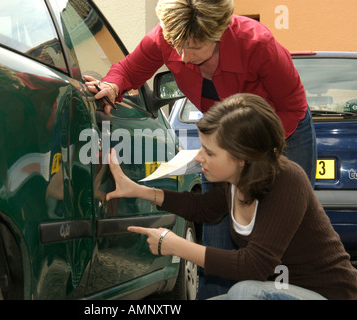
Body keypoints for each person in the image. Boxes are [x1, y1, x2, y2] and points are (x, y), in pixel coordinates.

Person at [84, 0, 317, 298]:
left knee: (283, 224)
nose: (181, 55)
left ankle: (290, 292)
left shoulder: (258, 43)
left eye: (194, 47)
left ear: (218, 32)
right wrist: (113, 86)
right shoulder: (167, 37)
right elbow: (129, 70)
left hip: (282, 130)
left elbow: (293, 106)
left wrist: (247, 152)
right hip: (224, 138)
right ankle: (215, 292)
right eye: (176, 44)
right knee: (216, 216)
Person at [106, 93, 357, 300]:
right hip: (278, 290)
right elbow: (203, 208)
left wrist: (176, 246)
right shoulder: (235, 180)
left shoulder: (287, 179)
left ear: (241, 158)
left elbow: (254, 266)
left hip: (327, 294)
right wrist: (138, 190)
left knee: (243, 292)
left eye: (209, 152)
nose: (198, 157)